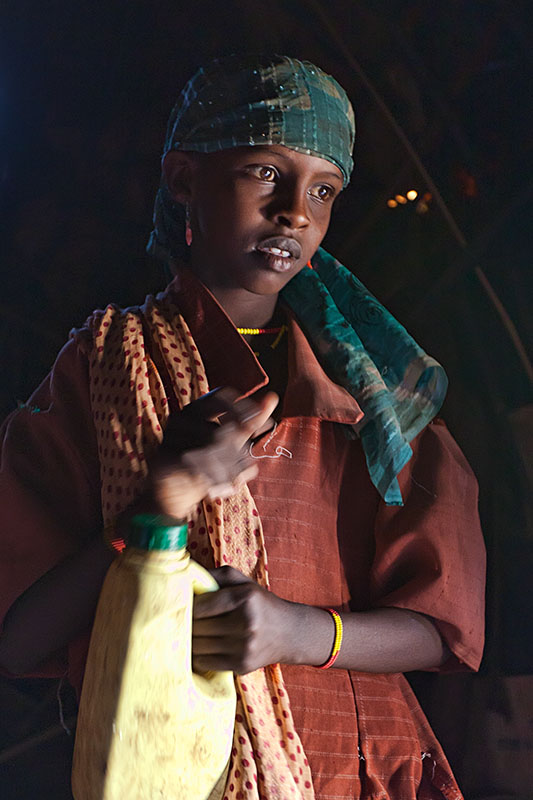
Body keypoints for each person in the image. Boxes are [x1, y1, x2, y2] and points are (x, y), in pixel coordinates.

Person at [0, 54, 485, 799]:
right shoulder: (102, 373)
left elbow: (444, 630)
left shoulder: (375, 400)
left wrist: (302, 633)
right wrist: (156, 510)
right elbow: (18, 638)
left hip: (358, 773)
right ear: (183, 180)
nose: (295, 210)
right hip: (173, 770)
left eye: (322, 190)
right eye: (265, 171)